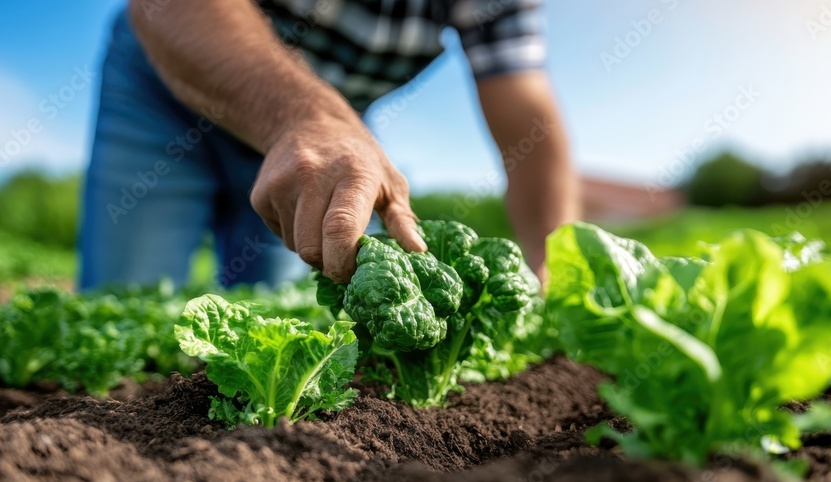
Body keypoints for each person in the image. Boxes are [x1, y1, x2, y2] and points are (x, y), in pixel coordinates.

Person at [79, 0, 577, 290]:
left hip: (323, 146)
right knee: (126, 296)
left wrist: (557, 260)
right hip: (167, 88)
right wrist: (305, 116)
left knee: (277, 309)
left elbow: (526, 115)